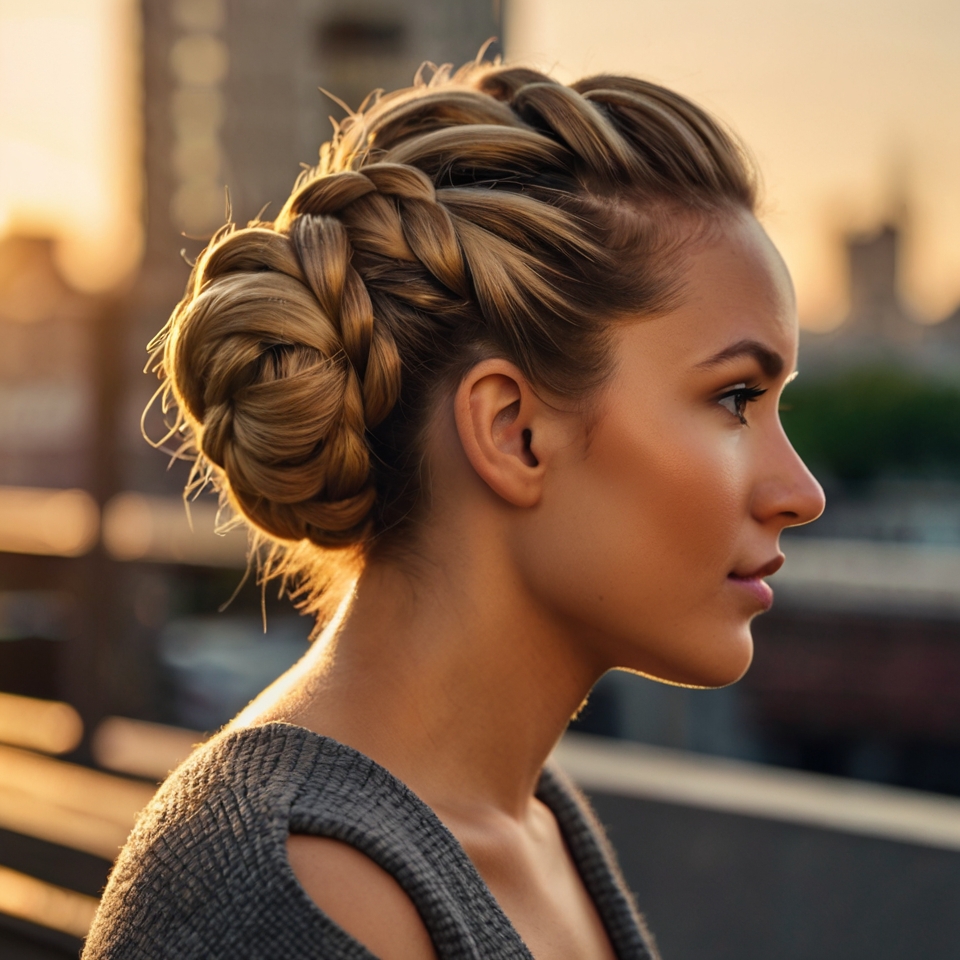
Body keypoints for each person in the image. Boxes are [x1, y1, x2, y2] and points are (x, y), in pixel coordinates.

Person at [83, 60, 824, 960]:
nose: (802, 493)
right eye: (736, 399)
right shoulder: (304, 895)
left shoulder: (536, 825)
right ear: (513, 431)